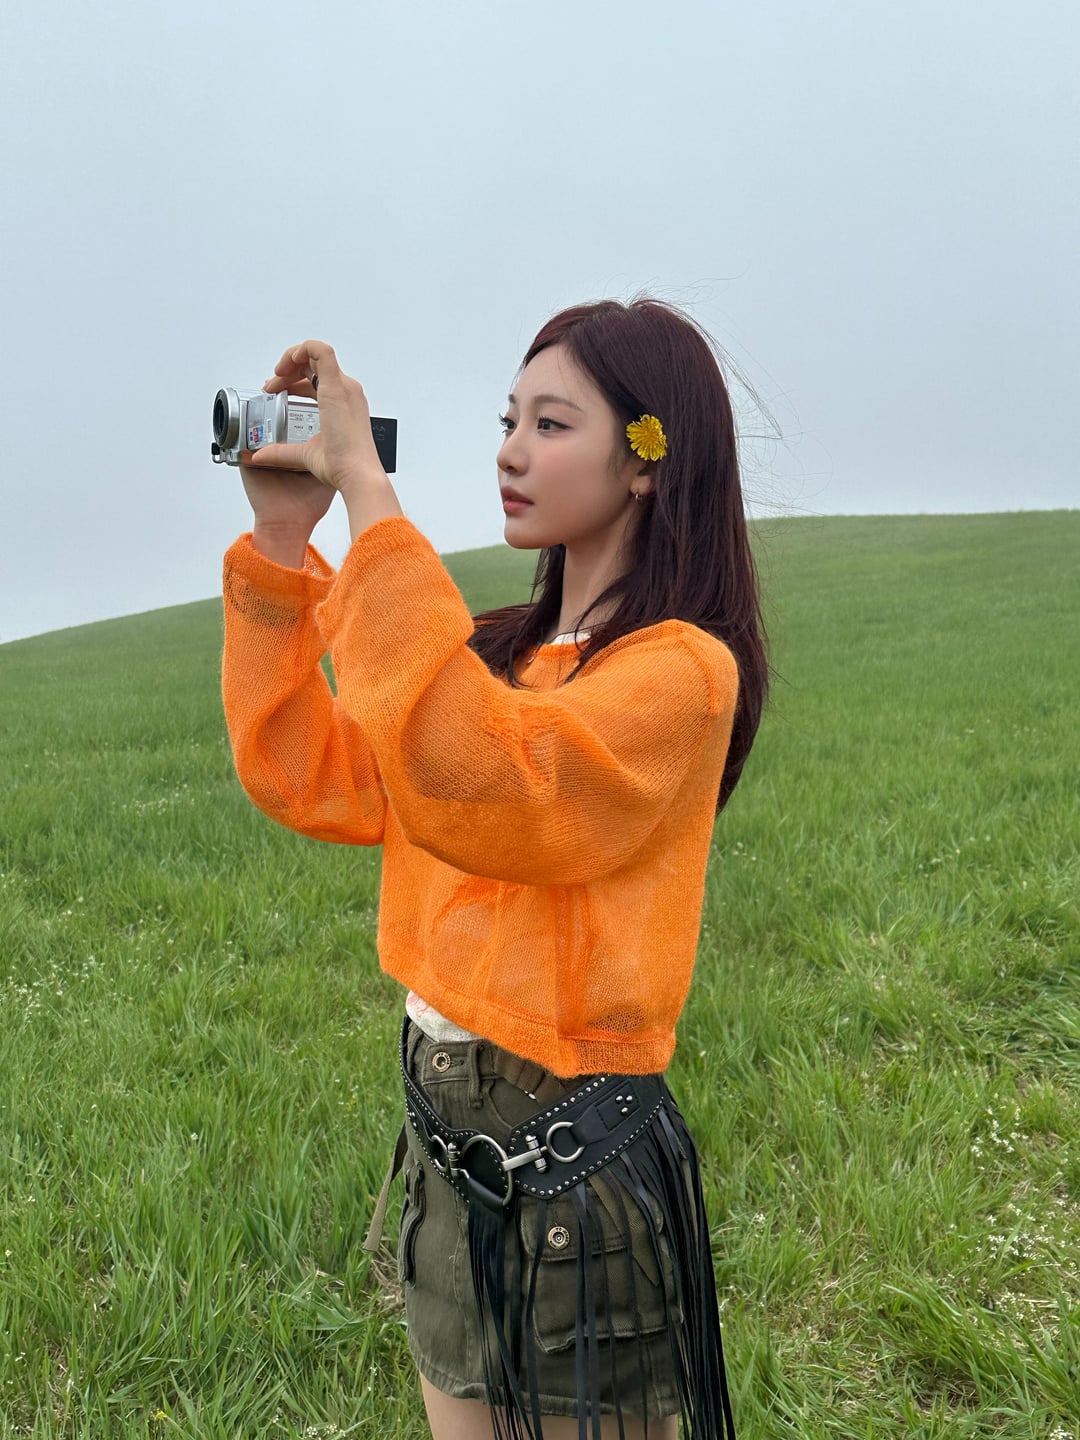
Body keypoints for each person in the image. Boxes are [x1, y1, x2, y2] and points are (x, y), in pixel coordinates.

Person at [220, 298, 768, 1440]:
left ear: (647, 461)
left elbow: (489, 780)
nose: (511, 451)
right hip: (444, 1152)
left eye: (551, 424)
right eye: (507, 419)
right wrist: (280, 540)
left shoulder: (681, 678)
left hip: (578, 1180)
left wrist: (367, 493)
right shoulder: (492, 659)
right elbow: (307, 771)